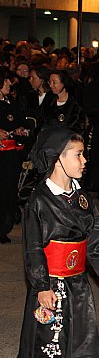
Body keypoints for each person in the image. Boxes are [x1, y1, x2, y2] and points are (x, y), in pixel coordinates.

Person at [10, 127, 99, 358]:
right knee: (45, 335)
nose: (84, 161)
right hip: (50, 280)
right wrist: (41, 286)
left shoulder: (83, 197)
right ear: (57, 159)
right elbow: (33, 248)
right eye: (78, 155)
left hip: (77, 282)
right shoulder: (39, 200)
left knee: (73, 337)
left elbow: (95, 238)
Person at [0, 67, 30, 243]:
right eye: (5, 81)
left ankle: (3, 227)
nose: (9, 84)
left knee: (8, 191)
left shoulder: (11, 102)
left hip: (9, 154)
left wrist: (20, 129)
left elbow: (21, 121)